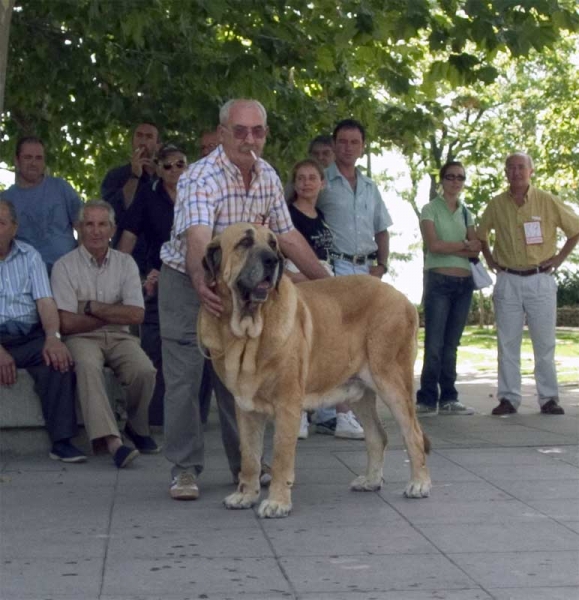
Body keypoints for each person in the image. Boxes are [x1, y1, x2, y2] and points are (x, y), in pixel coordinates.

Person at [159, 98, 330, 501]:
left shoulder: (268, 176)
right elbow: (198, 237)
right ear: (222, 134)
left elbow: (287, 236)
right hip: (189, 279)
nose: (248, 138)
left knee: (240, 376)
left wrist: (326, 284)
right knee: (185, 377)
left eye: (256, 131)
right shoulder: (200, 176)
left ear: (265, 135)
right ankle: (184, 470)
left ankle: (247, 470)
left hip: (244, 286)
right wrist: (203, 281)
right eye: (239, 131)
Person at [51, 200, 158, 468]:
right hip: (82, 340)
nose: (96, 231)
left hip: (121, 337)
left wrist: (90, 308)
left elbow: (136, 315)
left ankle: (135, 426)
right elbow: (65, 323)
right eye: (89, 224)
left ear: (113, 229)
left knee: (144, 370)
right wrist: (112, 312)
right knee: (87, 367)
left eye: (102, 224)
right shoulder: (63, 266)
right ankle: (113, 442)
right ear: (78, 229)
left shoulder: (126, 264)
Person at [478, 152, 579, 416]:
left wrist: (558, 259)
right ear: (505, 173)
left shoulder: (547, 201)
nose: (516, 172)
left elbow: (575, 230)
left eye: (521, 167)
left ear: (531, 171)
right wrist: (490, 259)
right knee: (507, 343)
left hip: (540, 279)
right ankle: (508, 398)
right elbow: (480, 236)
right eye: (510, 167)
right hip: (508, 280)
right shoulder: (497, 204)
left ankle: (548, 399)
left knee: (544, 344)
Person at [313, 118, 392, 436]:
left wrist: (382, 265)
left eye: (354, 142)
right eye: (342, 141)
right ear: (333, 145)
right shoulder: (320, 181)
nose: (348, 147)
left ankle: (343, 408)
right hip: (335, 269)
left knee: (362, 341)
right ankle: (335, 411)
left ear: (362, 146)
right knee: (334, 340)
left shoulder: (370, 186)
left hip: (367, 269)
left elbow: (382, 228)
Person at [0, 199, 85, 463]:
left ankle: (61, 442)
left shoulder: (30, 256)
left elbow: (45, 302)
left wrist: (52, 337)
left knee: (58, 360)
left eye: (1, 223)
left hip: (27, 335)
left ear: (14, 228)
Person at [285, 158, 362, 439]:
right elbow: (282, 265)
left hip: (326, 287)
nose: (306, 182)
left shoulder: (321, 217)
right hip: (300, 286)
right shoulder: (287, 218)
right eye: (301, 177)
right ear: (294, 183)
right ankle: (299, 415)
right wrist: (312, 282)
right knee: (302, 352)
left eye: (312, 177)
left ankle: (343, 415)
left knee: (335, 350)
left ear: (322, 182)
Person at [117, 144, 187, 426]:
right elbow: (128, 237)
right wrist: (120, 275)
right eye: (167, 165)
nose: (173, 170)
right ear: (157, 168)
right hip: (157, 278)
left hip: (194, 278)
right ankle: (153, 418)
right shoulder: (147, 196)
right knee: (154, 346)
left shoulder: (199, 195)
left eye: (179, 164)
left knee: (193, 349)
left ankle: (189, 415)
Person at [415, 161, 480, 416]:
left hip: (464, 284)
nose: (456, 181)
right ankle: (427, 398)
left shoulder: (467, 212)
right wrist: (463, 245)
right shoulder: (430, 209)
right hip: (439, 282)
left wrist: (461, 245)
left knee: (452, 343)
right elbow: (434, 245)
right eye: (451, 177)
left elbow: (476, 246)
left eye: (461, 178)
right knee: (434, 343)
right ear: (441, 180)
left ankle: (449, 397)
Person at [2, 137, 82, 273]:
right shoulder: (5, 200)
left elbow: (84, 226)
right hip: (25, 276)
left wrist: (82, 263)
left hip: (68, 272)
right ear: (16, 160)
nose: (33, 163)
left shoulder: (61, 188)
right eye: (28, 157)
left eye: (39, 158)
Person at [101, 122, 161, 273]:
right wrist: (135, 176)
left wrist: (159, 173)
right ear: (132, 141)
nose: (143, 141)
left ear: (157, 144)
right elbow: (113, 214)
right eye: (139, 136)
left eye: (149, 137)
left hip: (159, 260)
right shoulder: (116, 176)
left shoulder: (166, 176)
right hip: (128, 258)